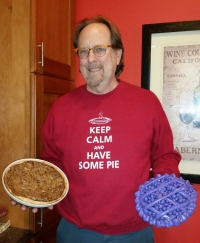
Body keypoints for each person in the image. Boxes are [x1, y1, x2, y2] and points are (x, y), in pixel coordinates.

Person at [13, 16, 181, 243]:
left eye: (99, 49)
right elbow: (53, 164)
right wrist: (34, 189)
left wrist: (165, 185)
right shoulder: (60, 108)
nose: (91, 59)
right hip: (75, 232)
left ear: (118, 54)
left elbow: (165, 155)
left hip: (134, 233)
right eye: (83, 51)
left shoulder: (146, 102)